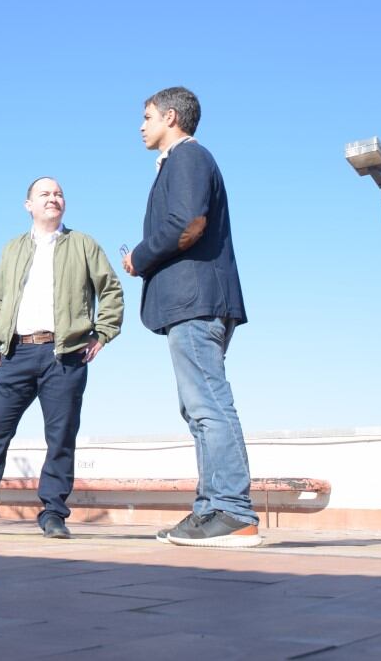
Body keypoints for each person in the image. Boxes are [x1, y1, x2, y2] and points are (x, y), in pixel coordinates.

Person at [121, 86, 260, 548]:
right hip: (191, 305)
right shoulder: (177, 163)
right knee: (197, 407)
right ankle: (209, 512)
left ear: (171, 117)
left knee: (208, 404)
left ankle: (233, 511)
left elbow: (189, 223)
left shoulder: (188, 158)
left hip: (197, 302)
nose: (141, 125)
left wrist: (139, 257)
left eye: (147, 116)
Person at [0, 177, 124, 539]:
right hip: (15, 353)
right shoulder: (12, 249)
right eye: (44, 194)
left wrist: (102, 333)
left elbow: (111, 290)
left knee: (60, 437)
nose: (53, 198)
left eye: (58, 193)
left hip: (64, 355)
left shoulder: (83, 244)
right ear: (28, 204)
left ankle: (53, 514)